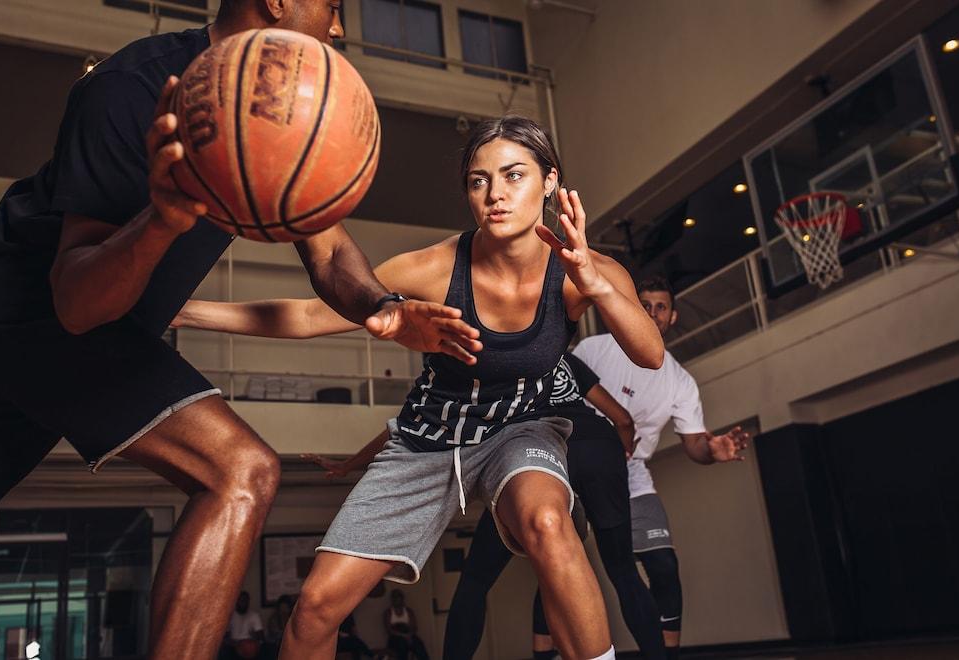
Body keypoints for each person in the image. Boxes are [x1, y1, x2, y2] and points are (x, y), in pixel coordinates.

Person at [0, 2, 476, 658]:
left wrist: (383, 309)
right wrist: (161, 219)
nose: (338, 27)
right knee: (240, 470)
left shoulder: (277, 111)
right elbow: (75, 304)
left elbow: (327, 251)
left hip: (80, 345)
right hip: (22, 313)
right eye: (331, 5)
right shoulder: (130, 91)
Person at [175, 115, 664, 660]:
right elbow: (313, 314)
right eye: (479, 181)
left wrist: (595, 284)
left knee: (548, 521)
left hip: (523, 428)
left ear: (550, 181)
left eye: (514, 175)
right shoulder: (434, 267)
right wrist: (182, 312)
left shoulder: (583, 270)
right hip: (427, 439)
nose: (495, 194)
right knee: (314, 608)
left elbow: (650, 354)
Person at [441, 352, 667, 660]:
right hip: (599, 445)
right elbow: (623, 420)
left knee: (476, 580)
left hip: (540, 447)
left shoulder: (492, 358)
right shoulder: (560, 353)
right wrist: (622, 450)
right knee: (624, 571)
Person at [573, 275, 749, 660]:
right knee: (563, 572)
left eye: (661, 307)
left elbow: (695, 444)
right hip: (577, 468)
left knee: (664, 566)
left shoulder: (679, 381)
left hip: (632, 473)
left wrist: (712, 448)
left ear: (672, 317)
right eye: (645, 305)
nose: (652, 313)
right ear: (633, 308)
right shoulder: (594, 349)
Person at [383, 590, 428, 660]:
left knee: (419, 645)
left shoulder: (408, 611)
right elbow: (389, 630)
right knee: (401, 646)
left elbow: (414, 627)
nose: (397, 600)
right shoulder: (388, 612)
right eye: (395, 598)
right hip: (396, 637)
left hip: (408, 634)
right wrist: (403, 636)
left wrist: (409, 635)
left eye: (398, 598)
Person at [226, 591, 264, 658]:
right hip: (234, 645)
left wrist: (254, 636)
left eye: (245, 601)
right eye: (241, 600)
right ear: (236, 601)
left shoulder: (254, 615)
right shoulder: (230, 616)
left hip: (250, 645)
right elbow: (225, 637)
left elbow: (261, 637)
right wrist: (234, 643)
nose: (243, 603)